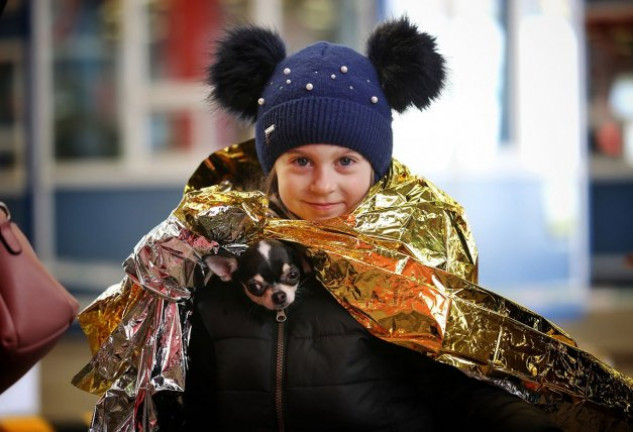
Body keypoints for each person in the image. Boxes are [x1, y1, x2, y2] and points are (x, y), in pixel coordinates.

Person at [73, 16, 632, 432]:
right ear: (273, 165)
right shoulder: (215, 259)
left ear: (375, 166)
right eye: (300, 161)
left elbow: (465, 392)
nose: (323, 184)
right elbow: (179, 396)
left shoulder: (409, 263)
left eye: (346, 162)